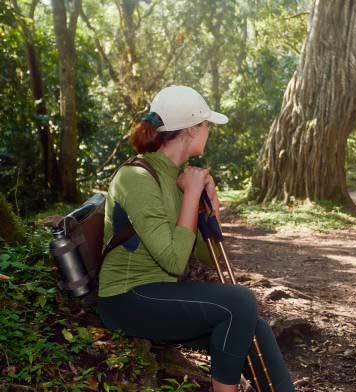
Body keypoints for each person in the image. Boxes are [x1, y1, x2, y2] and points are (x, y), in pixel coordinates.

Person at [97, 85, 295, 392]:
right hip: (126, 299)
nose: (208, 132)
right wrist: (190, 194)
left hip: (158, 295)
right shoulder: (135, 177)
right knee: (240, 301)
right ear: (191, 129)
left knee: (254, 327)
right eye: (205, 125)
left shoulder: (177, 175)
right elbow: (175, 262)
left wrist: (207, 208)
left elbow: (205, 254)